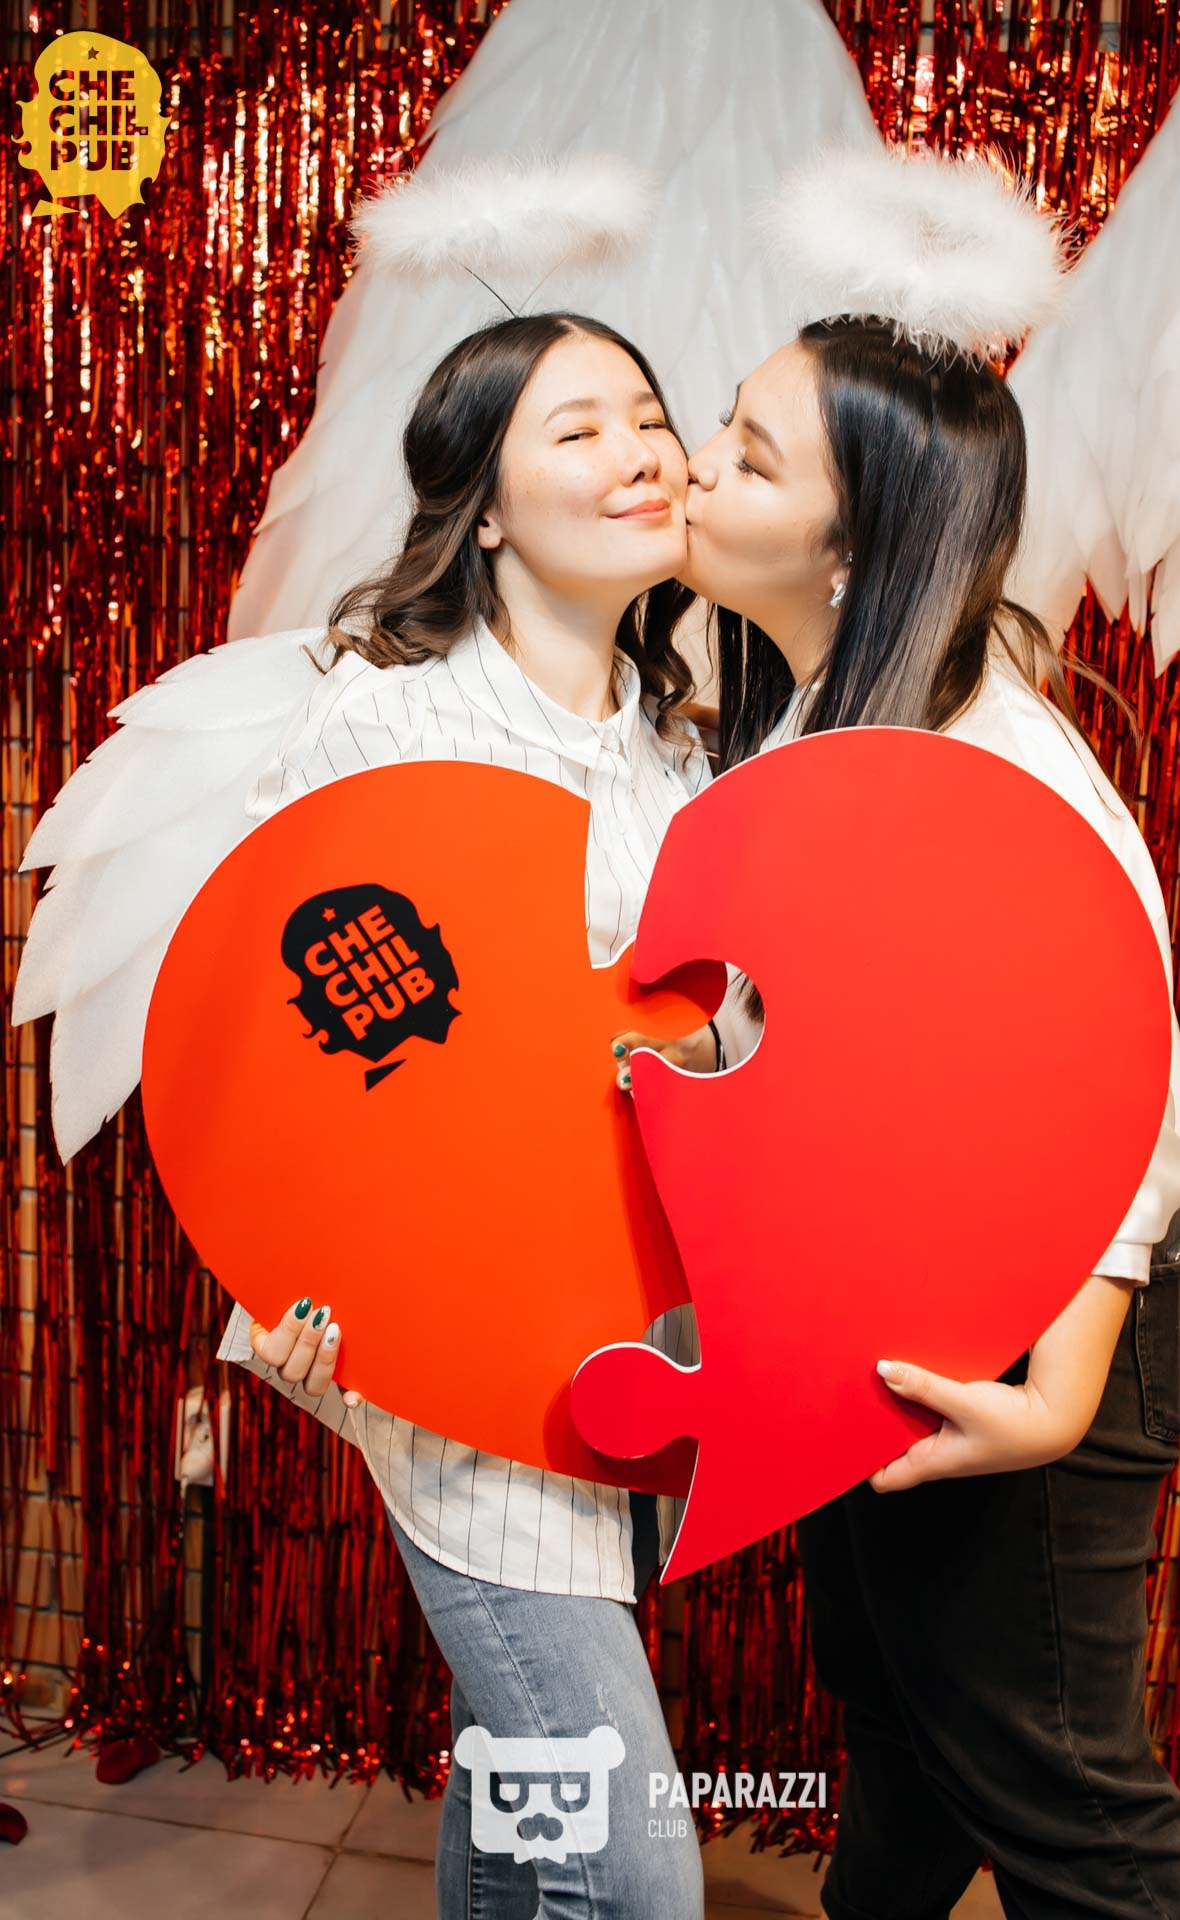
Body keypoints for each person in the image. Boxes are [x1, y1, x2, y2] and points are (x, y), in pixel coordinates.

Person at [653, 288, 1180, 1917]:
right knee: (902, 1716)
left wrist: (1056, 1399)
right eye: (724, 422)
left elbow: (1133, 1101)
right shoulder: (815, 704)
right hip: (906, 1304)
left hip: (1048, 1332)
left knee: (1060, 1792)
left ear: (852, 551)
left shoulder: (997, 770)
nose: (696, 464)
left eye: (751, 457)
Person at [215, 308, 713, 1920]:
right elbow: (270, 1019)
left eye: (648, 416)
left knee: (524, 1815)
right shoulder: (392, 724)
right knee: (632, 1876)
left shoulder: (674, 750)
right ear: (482, 510)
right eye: (578, 428)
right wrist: (285, 1274)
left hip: (623, 1336)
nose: (639, 452)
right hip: (464, 1350)